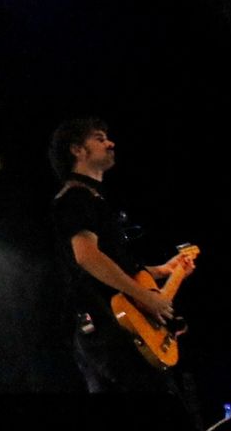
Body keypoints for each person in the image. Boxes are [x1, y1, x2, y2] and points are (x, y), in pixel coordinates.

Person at [48, 118, 195, 394]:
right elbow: (87, 257)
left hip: (121, 329)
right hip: (107, 330)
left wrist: (164, 270)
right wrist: (146, 296)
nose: (110, 143)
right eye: (100, 138)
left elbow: (116, 264)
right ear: (78, 150)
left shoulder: (93, 198)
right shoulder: (75, 198)